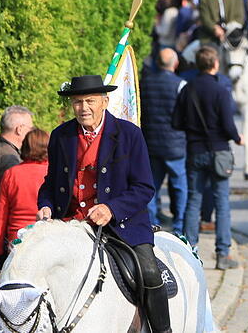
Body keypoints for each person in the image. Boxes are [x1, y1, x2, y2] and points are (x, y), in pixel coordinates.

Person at [36, 75, 170, 333]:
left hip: (123, 223)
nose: (83, 108)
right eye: (77, 102)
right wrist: (46, 205)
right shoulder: (60, 136)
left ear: (104, 102)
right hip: (70, 222)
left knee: (150, 272)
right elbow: (49, 184)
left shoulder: (129, 134)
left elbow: (144, 188)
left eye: (90, 101)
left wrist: (111, 209)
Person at [172, 47, 242, 269]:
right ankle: (223, 254)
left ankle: (191, 252)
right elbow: (228, 125)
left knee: (194, 200)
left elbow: (176, 123)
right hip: (219, 151)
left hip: (195, 151)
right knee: (222, 203)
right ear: (216, 64)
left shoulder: (187, 89)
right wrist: (237, 138)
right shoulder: (221, 90)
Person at [141, 48, 188, 233]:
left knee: (151, 187)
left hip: (151, 144)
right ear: (175, 64)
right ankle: (179, 227)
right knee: (179, 187)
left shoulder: (145, 83)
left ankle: (152, 224)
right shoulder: (181, 84)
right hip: (175, 145)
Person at [0, 128, 50, 262]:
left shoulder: (12, 174)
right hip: (46, 238)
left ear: (25, 147)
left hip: (17, 241)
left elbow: (0, 216)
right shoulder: (54, 173)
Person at [0, 106, 34, 242]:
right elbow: (18, 201)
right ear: (20, 129)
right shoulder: (8, 158)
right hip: (7, 235)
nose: (32, 133)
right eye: (31, 129)